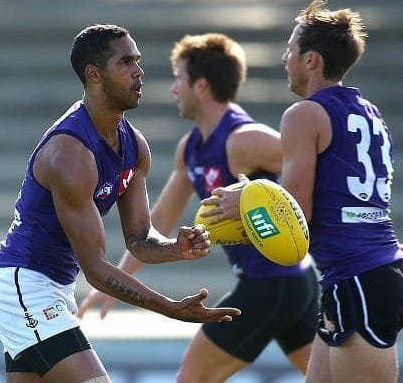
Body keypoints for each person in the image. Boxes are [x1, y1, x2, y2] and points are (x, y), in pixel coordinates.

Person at [0, 24, 241, 383]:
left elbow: (139, 239)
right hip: (23, 285)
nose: (139, 72)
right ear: (94, 75)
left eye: (138, 60)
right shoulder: (70, 153)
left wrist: (176, 248)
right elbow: (97, 269)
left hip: (52, 287)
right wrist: (168, 308)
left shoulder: (134, 145)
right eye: (126, 62)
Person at [77, 33, 319, 382]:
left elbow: (314, 160)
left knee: (190, 379)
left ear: (200, 86)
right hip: (292, 284)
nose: (175, 89)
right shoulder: (190, 148)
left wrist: (265, 202)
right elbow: (158, 220)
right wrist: (114, 283)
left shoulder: (243, 140)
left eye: (179, 79)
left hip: (270, 283)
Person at [205, 0, 403, 382]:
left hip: (355, 275)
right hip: (370, 271)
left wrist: (243, 203)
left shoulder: (303, 114)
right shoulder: (369, 111)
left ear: (311, 60)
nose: (284, 58)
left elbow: (295, 216)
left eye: (291, 49)